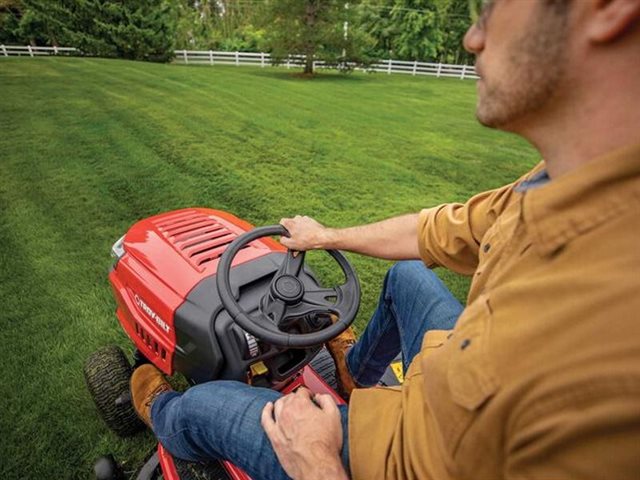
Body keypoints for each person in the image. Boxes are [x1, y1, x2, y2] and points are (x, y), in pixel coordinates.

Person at [130, 0, 640, 478]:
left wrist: (317, 458)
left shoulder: (610, 348)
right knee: (407, 275)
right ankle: (354, 370)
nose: (471, 37)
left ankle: (163, 411)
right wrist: (327, 235)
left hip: (403, 452)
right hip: (458, 371)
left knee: (202, 407)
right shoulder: (565, 181)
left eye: (489, 7)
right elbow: (439, 229)